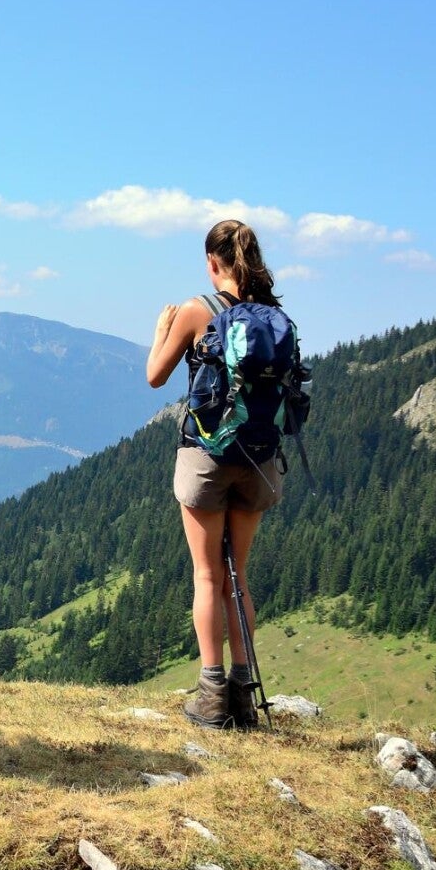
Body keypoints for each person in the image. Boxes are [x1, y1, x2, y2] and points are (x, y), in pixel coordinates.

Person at [144, 219, 286, 730]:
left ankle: (210, 694)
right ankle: (244, 694)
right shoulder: (273, 316)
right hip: (259, 460)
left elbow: (155, 375)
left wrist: (162, 331)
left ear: (212, 263)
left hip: (206, 457)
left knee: (206, 575)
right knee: (238, 576)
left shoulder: (196, 310)